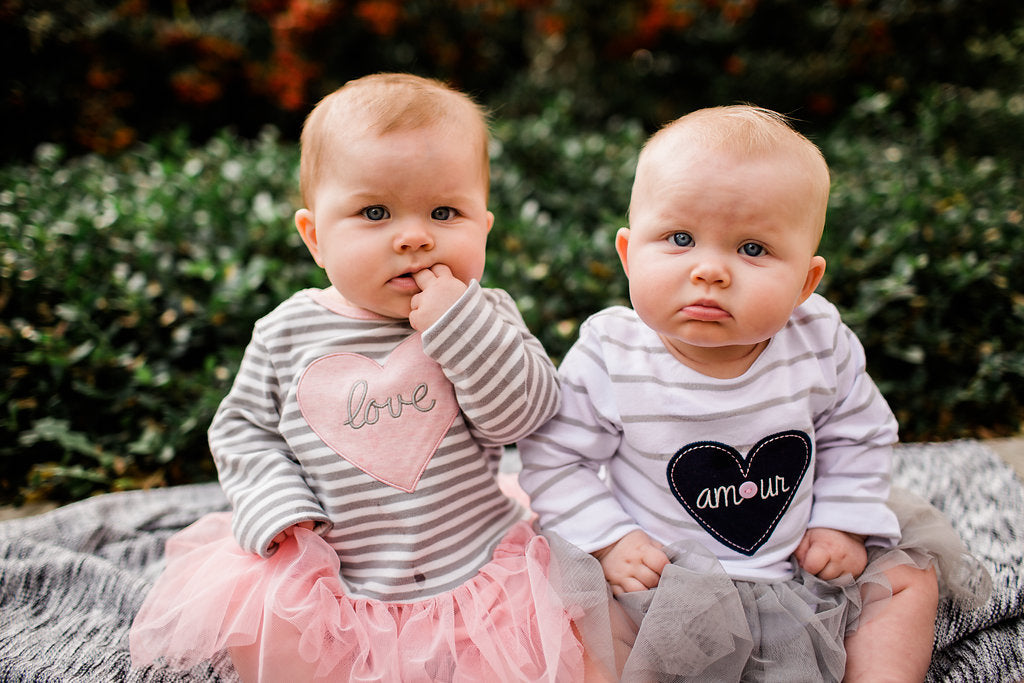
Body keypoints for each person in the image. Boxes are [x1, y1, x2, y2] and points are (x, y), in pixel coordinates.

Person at [130, 73, 619, 682]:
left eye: (445, 212)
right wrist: (277, 504)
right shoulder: (285, 333)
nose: (414, 235)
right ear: (316, 237)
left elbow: (526, 416)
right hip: (340, 581)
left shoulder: (484, 314)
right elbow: (243, 429)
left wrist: (460, 329)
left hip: (481, 565)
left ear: (483, 229)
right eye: (374, 212)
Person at [518, 105, 988, 682]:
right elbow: (555, 457)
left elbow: (858, 431)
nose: (710, 271)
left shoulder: (817, 339)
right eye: (680, 239)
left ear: (805, 283)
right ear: (627, 253)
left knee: (908, 581)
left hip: (803, 569)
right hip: (660, 584)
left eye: (753, 250)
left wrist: (841, 520)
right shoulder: (612, 354)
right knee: (579, 619)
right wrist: (612, 539)